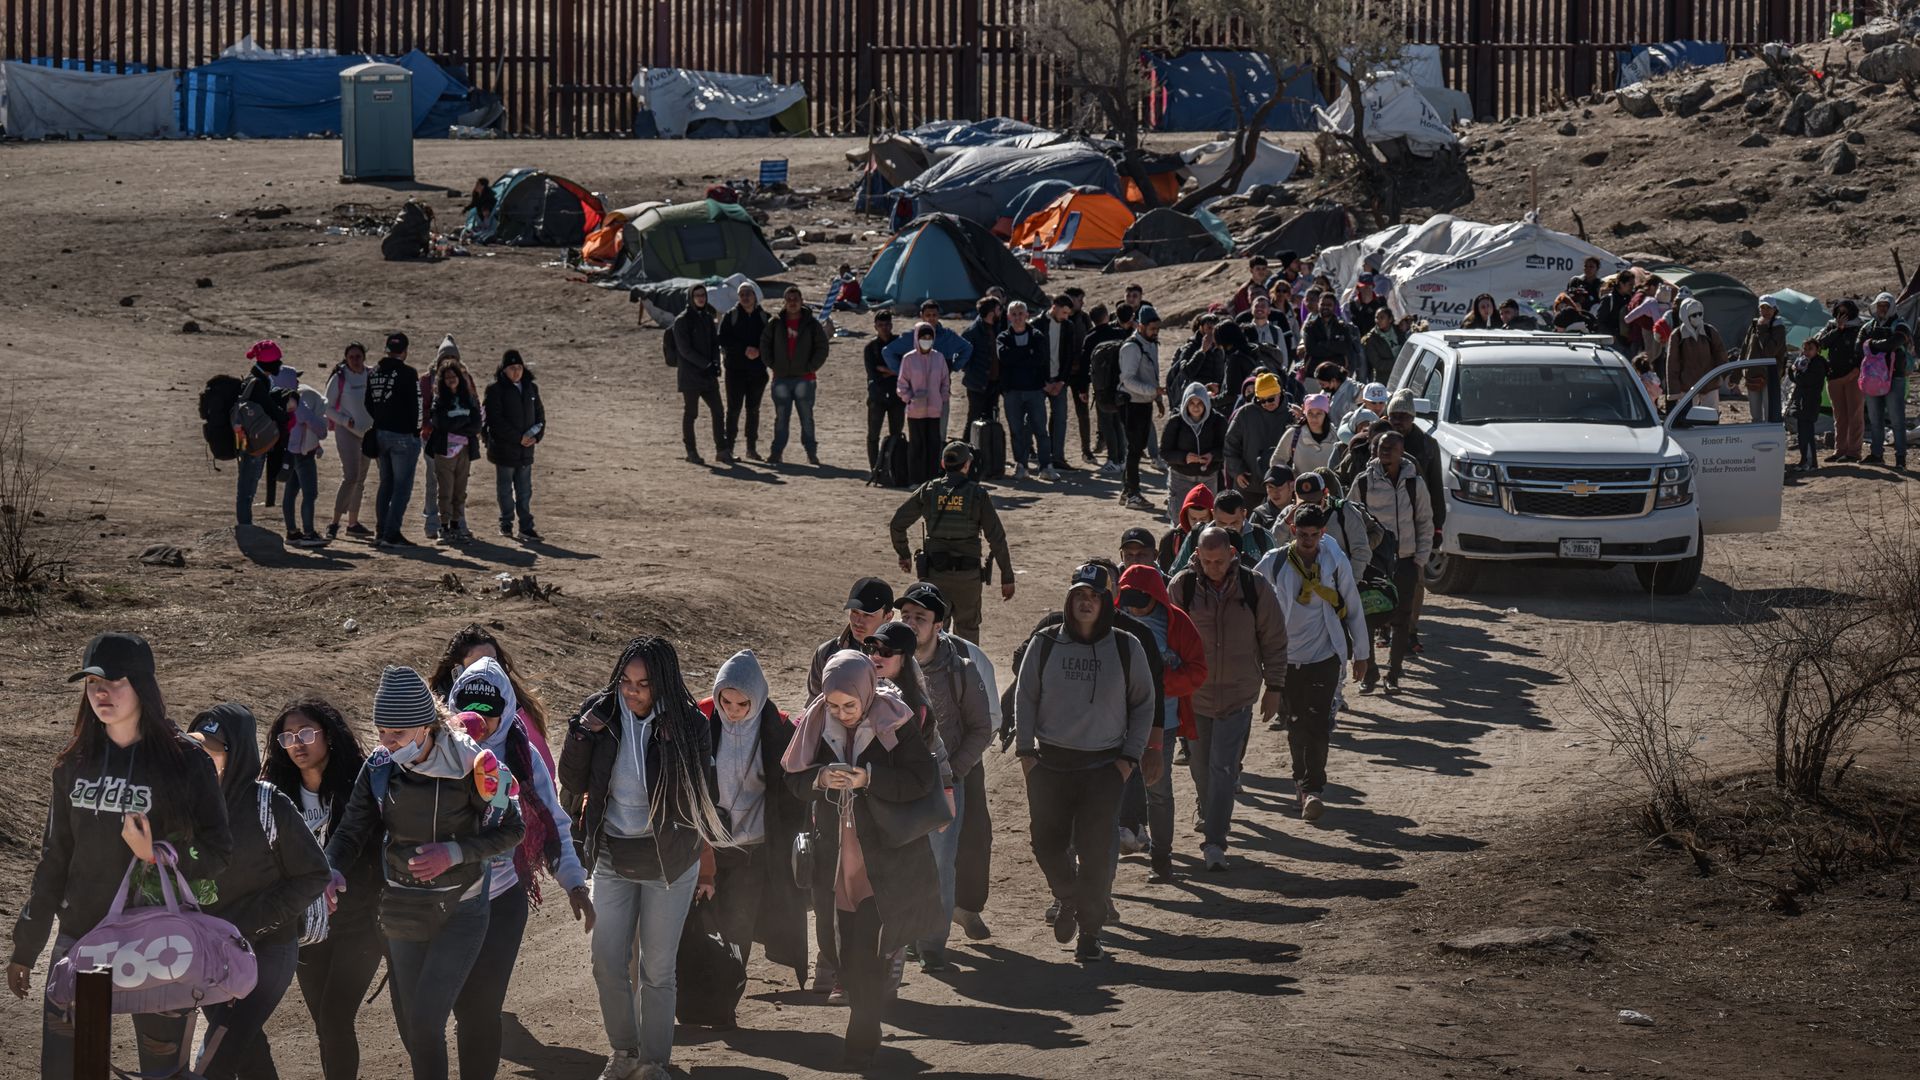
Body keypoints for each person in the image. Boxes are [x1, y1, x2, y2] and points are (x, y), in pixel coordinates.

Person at [10, 632, 234, 1080]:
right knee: (78, 1069)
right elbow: (54, 858)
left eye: (114, 681)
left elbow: (218, 851)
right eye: (92, 682)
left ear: (142, 686)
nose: (101, 693)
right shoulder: (74, 764)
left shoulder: (186, 761)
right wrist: (27, 946)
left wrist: (159, 854)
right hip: (87, 940)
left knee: (161, 1073)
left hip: (158, 942)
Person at [323, 667, 525, 1080]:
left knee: (426, 1021)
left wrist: (453, 853)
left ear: (426, 726)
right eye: (381, 731)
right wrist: (330, 869)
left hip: (462, 908)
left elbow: (513, 830)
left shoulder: (475, 764)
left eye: (397, 733)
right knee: (416, 1030)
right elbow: (351, 831)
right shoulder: (379, 767)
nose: (386, 742)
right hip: (403, 907)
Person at [557, 638, 727, 1080]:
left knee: (658, 969)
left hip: (670, 863)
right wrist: (580, 733)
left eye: (643, 684)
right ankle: (625, 1052)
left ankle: (654, 1062)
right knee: (606, 961)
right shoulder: (601, 715)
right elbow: (571, 778)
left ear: (663, 684)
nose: (631, 691)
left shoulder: (689, 723)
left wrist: (671, 744)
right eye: (626, 681)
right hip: (613, 855)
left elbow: (701, 794)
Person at [783, 650, 945, 1071]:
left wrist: (869, 779)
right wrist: (821, 778)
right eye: (833, 704)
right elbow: (793, 778)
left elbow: (921, 778)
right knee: (841, 952)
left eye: (849, 705)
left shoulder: (896, 720)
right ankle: (866, 1025)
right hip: (836, 860)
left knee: (870, 952)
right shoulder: (816, 720)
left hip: (885, 860)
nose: (841, 713)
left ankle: (861, 1039)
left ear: (866, 692)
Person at [447, 657, 595, 1080]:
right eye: (468, 709)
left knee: (481, 1007)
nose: (478, 721)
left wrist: (575, 883)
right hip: (446, 902)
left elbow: (553, 823)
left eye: (489, 712)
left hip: (502, 900)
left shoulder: (523, 757)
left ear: (507, 709)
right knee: (450, 1003)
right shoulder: (435, 752)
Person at [176, 705, 330, 1080]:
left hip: (269, 949)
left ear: (239, 753)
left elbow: (315, 873)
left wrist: (250, 922)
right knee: (249, 1055)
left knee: (220, 1052)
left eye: (212, 749)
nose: (201, 757)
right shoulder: (184, 806)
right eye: (195, 748)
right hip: (210, 953)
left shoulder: (268, 804)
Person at [1015, 563, 1155, 961]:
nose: (1086, 602)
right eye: (1079, 595)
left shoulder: (1127, 646)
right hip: (1050, 763)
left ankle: (1090, 934)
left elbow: (1144, 704)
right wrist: (1026, 753)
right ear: (1069, 598)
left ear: (1106, 601)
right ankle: (1067, 895)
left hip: (1103, 767)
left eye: (1094, 596)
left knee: (1095, 853)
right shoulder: (1045, 642)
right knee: (1046, 842)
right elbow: (1026, 696)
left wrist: (1129, 759)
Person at [264, 699, 383, 1080]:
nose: (297, 743)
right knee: (324, 1023)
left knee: (334, 1017)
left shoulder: (359, 786)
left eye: (305, 733)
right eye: (287, 737)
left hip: (359, 923)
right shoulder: (276, 795)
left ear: (328, 735)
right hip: (306, 927)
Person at [1168, 528, 1289, 871]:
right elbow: (1167, 638)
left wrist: (1275, 687)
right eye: (1206, 562)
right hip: (1195, 696)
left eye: (1219, 561)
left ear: (1232, 554)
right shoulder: (1182, 587)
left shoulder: (1254, 587)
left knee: (1223, 769)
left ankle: (1214, 842)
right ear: (1197, 557)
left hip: (1238, 695)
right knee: (1200, 767)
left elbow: (1274, 639)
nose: (1213, 568)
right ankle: (1209, 811)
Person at [893, 584, 991, 972]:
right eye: (906, 616)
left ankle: (932, 944)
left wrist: (956, 771)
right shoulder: (888, 663)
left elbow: (981, 728)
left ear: (939, 625)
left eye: (920, 617)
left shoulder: (960, 670)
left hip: (944, 785)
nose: (910, 623)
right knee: (900, 861)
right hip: (897, 784)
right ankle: (906, 937)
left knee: (939, 863)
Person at [695, 651, 808, 984]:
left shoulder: (779, 730)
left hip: (752, 849)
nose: (732, 710)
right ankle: (702, 995)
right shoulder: (700, 721)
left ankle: (727, 995)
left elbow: (792, 794)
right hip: (707, 846)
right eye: (725, 701)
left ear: (757, 699)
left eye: (742, 704)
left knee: (737, 929)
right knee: (701, 927)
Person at [1259, 507, 1372, 821]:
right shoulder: (1274, 562)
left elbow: (1352, 603)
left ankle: (1314, 790)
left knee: (1319, 725)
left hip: (1325, 655)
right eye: (1302, 534)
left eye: (1314, 535)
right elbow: (1250, 594)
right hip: (1286, 659)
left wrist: (1362, 653)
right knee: (1296, 725)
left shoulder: (1334, 561)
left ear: (1323, 533)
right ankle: (1300, 782)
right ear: (1293, 530)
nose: (1308, 541)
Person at [1114, 564, 1206, 882]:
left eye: (1141, 601)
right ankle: (1101, 862)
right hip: (1115, 723)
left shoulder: (1176, 622)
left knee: (1159, 791)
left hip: (1161, 722)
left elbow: (1197, 671)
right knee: (1107, 789)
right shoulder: (1113, 620)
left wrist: (1158, 683)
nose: (1134, 608)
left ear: (1156, 596)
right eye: (1129, 600)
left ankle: (1162, 859)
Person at [888, 441, 1017, 643]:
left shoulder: (929, 490)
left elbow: (897, 523)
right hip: (968, 578)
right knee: (968, 633)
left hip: (935, 576)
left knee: (935, 632)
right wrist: (1007, 577)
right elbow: (997, 538)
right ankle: (967, 664)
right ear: (967, 465)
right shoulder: (978, 495)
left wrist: (904, 554)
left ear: (943, 463)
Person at [1353, 431, 1433, 692]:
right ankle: (1371, 673)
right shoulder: (1363, 482)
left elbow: (1424, 522)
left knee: (1402, 619)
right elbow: (1351, 520)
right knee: (1367, 618)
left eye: (1391, 447)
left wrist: (1420, 559)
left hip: (1406, 561)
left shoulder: (1414, 483)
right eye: (1381, 447)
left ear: (1402, 451)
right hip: (1372, 564)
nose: (1385, 451)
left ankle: (1394, 674)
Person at [760, 285, 829, 466]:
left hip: (805, 379)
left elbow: (822, 347)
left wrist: (810, 367)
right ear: (784, 302)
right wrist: (773, 364)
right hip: (781, 378)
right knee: (781, 418)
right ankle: (776, 453)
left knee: (806, 418)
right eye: (789, 299)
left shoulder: (811, 324)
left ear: (801, 301)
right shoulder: (775, 323)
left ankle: (811, 454)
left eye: (795, 299)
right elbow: (764, 344)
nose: (792, 303)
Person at [886, 299, 973, 440]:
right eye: (928, 315)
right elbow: (888, 352)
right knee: (919, 434)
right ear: (921, 316)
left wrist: (954, 366)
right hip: (917, 394)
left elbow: (967, 348)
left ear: (938, 316)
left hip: (939, 391)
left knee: (940, 432)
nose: (931, 318)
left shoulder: (947, 336)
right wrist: (900, 371)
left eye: (934, 315)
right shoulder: (912, 336)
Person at [367, 332, 423, 548]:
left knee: (386, 484)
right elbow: (417, 404)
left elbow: (368, 403)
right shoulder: (408, 373)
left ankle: (381, 531)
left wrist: (382, 418)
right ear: (405, 352)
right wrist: (416, 430)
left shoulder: (374, 372)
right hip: (403, 436)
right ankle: (391, 534)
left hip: (381, 433)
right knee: (402, 487)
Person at [482, 349, 545, 542]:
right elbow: (495, 421)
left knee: (525, 491)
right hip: (504, 450)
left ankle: (526, 527)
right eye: (512, 368)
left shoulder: (531, 388)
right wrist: (518, 438)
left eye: (519, 367)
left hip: (526, 449)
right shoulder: (495, 390)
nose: (516, 372)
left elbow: (540, 415)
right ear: (504, 370)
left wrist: (537, 436)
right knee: (505, 490)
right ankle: (506, 523)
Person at [234, 339, 293, 527]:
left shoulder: (255, 379)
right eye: (276, 361)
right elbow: (271, 410)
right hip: (254, 441)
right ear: (267, 362)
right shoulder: (258, 383)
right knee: (248, 485)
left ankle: (245, 523)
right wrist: (286, 414)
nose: (279, 365)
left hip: (244, 437)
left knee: (246, 482)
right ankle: (245, 525)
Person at [426, 355, 482, 545]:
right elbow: (440, 423)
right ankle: (444, 526)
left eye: (454, 376)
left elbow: (476, 425)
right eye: (447, 377)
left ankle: (456, 525)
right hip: (445, 451)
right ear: (442, 380)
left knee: (460, 490)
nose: (451, 380)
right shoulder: (439, 400)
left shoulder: (469, 399)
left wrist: (456, 425)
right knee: (445, 490)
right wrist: (463, 422)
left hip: (464, 450)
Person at [998, 301, 1055, 482]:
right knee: (1017, 430)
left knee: (1040, 429)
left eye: (1020, 313)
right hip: (1012, 391)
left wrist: (1017, 355)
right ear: (1009, 317)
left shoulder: (1037, 336)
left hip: (1035, 390)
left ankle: (1046, 466)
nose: (1017, 317)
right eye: (1014, 314)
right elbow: (1004, 357)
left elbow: (1039, 359)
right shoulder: (1003, 337)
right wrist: (1026, 353)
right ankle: (1021, 465)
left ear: (1027, 315)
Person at [812, 577, 897, 698]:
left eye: (867, 615)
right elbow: (814, 704)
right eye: (854, 612)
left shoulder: (899, 657)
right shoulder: (826, 653)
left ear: (888, 616)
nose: (858, 622)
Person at [324, 342, 375, 540]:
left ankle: (353, 524)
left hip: (368, 433)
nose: (355, 360)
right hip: (347, 431)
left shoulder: (371, 374)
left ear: (364, 357)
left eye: (358, 356)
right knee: (351, 476)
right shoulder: (339, 377)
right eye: (351, 357)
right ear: (346, 358)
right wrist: (345, 421)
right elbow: (327, 407)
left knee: (360, 479)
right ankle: (334, 523)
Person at [672, 283, 727, 465]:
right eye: (697, 295)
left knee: (718, 411)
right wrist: (706, 364)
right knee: (691, 414)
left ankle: (722, 450)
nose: (701, 298)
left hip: (708, 376)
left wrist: (716, 363)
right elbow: (685, 350)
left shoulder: (707, 317)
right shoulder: (682, 320)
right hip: (690, 376)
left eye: (703, 295)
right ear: (691, 298)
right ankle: (691, 451)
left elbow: (714, 344)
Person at [1118, 305, 1165, 511]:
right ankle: (1133, 494)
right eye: (1152, 328)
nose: (1155, 332)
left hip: (1145, 403)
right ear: (1141, 326)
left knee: (1137, 448)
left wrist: (1157, 398)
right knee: (1135, 450)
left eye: (1157, 329)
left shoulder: (1151, 344)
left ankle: (1127, 490)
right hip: (1131, 404)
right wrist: (1152, 391)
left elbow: (1152, 374)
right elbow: (1127, 380)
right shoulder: (1131, 347)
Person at [719, 282, 772, 461]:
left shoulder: (765, 317)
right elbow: (723, 339)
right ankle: (729, 448)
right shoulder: (731, 316)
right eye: (742, 294)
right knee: (733, 410)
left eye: (748, 293)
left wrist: (759, 351)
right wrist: (744, 349)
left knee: (753, 410)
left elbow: (770, 341)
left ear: (755, 295)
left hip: (757, 372)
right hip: (735, 371)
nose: (745, 297)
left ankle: (751, 448)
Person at [1281, 470, 1376, 569]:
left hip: (1338, 576)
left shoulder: (1344, 511)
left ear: (1325, 493)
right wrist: (1286, 522)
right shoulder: (1288, 514)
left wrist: (1351, 578)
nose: (1309, 507)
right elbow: (1274, 544)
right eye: (1303, 503)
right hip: (1295, 576)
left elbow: (1361, 551)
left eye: (1314, 502)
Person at [1224, 371, 1293, 506]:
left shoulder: (1291, 415)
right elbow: (1230, 445)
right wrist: (1237, 471)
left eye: (1270, 399)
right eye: (1262, 400)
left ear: (1280, 393)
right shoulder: (1245, 413)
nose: (1266, 403)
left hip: (1280, 486)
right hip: (1249, 484)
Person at [1860, 291, 1912, 469]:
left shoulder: (1901, 325)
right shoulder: (1869, 326)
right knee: (1875, 419)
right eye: (1879, 305)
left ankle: (1900, 458)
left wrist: (1871, 344)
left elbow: (1893, 343)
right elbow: (1858, 346)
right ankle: (1876, 454)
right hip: (1873, 379)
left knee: (1897, 420)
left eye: (1885, 306)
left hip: (1895, 378)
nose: (1882, 309)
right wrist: (1878, 345)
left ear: (1892, 307)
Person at [1161, 381, 1226, 521]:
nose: (1196, 407)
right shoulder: (1175, 422)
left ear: (1206, 403)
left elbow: (1226, 448)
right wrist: (1184, 458)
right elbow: (1165, 453)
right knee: (1179, 520)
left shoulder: (1218, 421)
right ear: (1185, 403)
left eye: (1200, 403)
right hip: (1181, 477)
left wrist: (1212, 456)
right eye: (1192, 403)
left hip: (1208, 478)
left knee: (1208, 520)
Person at [897, 321, 953, 485]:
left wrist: (942, 398)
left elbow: (945, 381)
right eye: (923, 337)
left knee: (933, 446)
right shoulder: (908, 359)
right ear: (917, 338)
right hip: (915, 411)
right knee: (916, 446)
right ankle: (915, 480)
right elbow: (902, 384)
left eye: (929, 337)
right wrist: (909, 398)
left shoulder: (939, 358)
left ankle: (932, 480)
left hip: (934, 411)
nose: (926, 340)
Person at [1169, 488, 1274, 572]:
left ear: (1244, 514)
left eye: (1234, 523)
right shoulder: (1196, 536)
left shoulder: (1262, 538)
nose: (1228, 528)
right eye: (1222, 523)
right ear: (1213, 514)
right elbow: (1175, 575)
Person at [1817, 299, 1865, 462]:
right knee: (1839, 416)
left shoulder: (1860, 327)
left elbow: (1864, 350)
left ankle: (1854, 452)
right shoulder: (1831, 326)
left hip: (1853, 375)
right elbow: (1821, 344)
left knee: (1855, 415)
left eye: (1846, 312)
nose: (1842, 315)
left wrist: (1857, 369)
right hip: (1834, 376)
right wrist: (1838, 329)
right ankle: (1840, 450)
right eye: (1839, 312)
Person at [282, 381, 329, 546]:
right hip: (303, 455)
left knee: (290, 493)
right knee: (309, 494)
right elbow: (320, 430)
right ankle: (309, 533)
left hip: (288, 452)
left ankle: (292, 532)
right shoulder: (297, 403)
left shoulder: (280, 398)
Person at [1041, 294, 1085, 469]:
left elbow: (1069, 356)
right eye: (1064, 312)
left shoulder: (1068, 326)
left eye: (1068, 313)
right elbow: (1034, 357)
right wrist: (1043, 382)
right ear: (1055, 307)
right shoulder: (1037, 324)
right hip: (1040, 382)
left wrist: (1061, 381)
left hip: (1059, 380)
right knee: (1035, 420)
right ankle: (1035, 457)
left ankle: (1058, 457)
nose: (1066, 316)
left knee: (1060, 418)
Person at [1659, 297, 1726, 410]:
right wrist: (1673, 390)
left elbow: (1721, 354)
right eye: (1694, 315)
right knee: (1688, 417)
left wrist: (1727, 376)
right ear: (1685, 316)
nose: (1698, 317)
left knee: (1711, 416)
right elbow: (1672, 364)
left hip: (1710, 383)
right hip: (1687, 386)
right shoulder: (1677, 335)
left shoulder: (1709, 331)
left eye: (1700, 314)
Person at [864, 310, 905, 470]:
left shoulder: (899, 344)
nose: (884, 328)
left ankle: (894, 467)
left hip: (897, 396)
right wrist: (894, 371)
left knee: (896, 435)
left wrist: (888, 371)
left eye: (887, 324)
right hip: (877, 396)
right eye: (880, 325)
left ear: (891, 325)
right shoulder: (871, 348)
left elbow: (905, 369)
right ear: (875, 326)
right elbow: (873, 373)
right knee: (873, 435)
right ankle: (875, 468)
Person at [1740, 295, 1790, 425]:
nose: (1766, 311)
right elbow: (1745, 348)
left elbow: (1770, 352)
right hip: (1752, 374)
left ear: (1775, 309)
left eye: (1769, 308)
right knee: (1755, 416)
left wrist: (1762, 329)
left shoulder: (1778, 328)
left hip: (1770, 376)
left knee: (1770, 415)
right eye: (1763, 307)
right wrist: (1736, 374)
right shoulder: (1754, 324)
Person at [1272, 390, 1341, 477]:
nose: (1314, 418)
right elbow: (1277, 460)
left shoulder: (1336, 436)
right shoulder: (1293, 434)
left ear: (1325, 414)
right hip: (1300, 485)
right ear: (1305, 413)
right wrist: (1290, 478)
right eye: (1310, 413)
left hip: (1329, 486)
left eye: (1319, 413)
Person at [1787, 336, 1829, 473]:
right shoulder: (1803, 362)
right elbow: (1794, 378)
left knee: (1807, 433)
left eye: (1810, 349)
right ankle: (1804, 460)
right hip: (1801, 401)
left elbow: (1804, 380)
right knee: (1802, 433)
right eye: (1805, 349)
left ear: (1817, 350)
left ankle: (1811, 462)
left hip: (1810, 402)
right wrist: (1793, 370)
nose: (1807, 351)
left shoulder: (1818, 364)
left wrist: (1796, 371)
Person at [960, 297, 1003, 427]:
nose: (1001, 312)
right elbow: (962, 359)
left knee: (991, 420)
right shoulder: (972, 332)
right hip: (977, 385)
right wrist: (975, 374)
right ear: (991, 312)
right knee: (973, 421)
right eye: (999, 309)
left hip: (994, 384)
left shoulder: (996, 328)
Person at [1158, 482, 1215, 573]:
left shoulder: (1220, 540)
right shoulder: (1171, 539)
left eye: (1203, 519)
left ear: (1212, 517)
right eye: (1193, 518)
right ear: (1185, 516)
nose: (1198, 523)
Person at [1302, 293, 1360, 376]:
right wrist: (1335, 348)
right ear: (1318, 305)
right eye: (1322, 304)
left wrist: (1323, 344)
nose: (1325, 307)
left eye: (1329, 305)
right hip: (1314, 371)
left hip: (1338, 371)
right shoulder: (1310, 326)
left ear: (1334, 307)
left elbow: (1345, 348)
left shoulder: (1342, 327)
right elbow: (1311, 350)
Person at [1361, 308, 1406, 385]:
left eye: (1382, 317)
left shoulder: (1399, 330)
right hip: (1385, 380)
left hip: (1403, 375)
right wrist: (1398, 363)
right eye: (1376, 318)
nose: (1378, 320)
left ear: (1390, 319)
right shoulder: (1371, 339)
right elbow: (1378, 364)